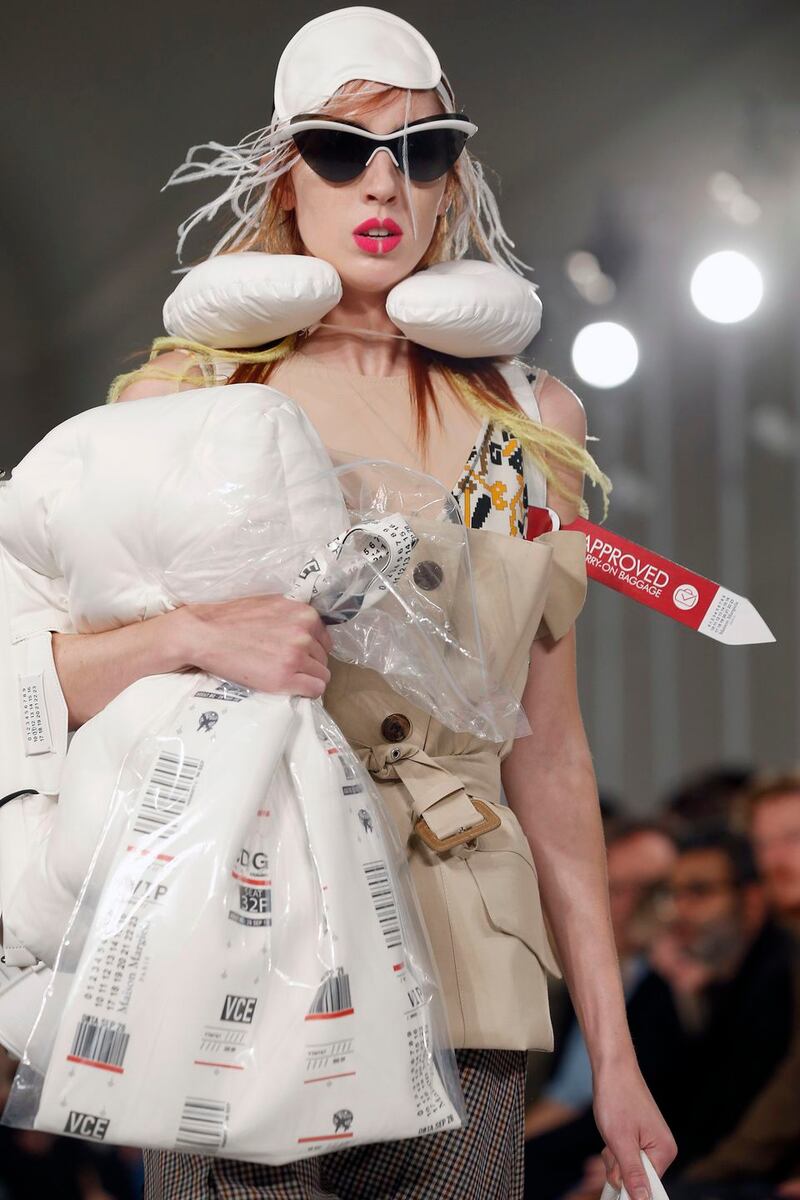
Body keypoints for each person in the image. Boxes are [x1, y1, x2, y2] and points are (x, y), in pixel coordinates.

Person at [39, 7, 676, 1198]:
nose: (382, 181)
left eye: (421, 149)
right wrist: (186, 635)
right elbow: (38, 671)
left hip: (468, 956)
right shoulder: (183, 399)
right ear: (289, 174)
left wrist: (616, 1054)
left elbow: (548, 751)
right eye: (343, 147)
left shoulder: (531, 417)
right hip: (244, 936)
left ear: (451, 182)